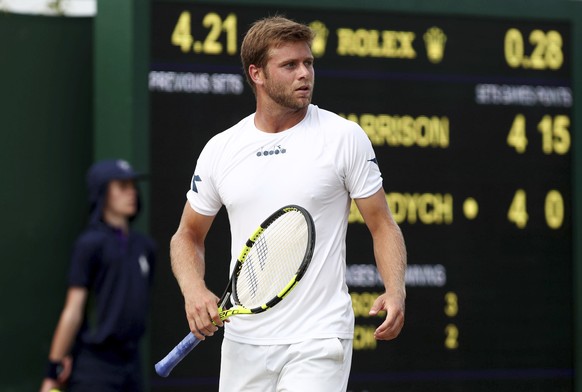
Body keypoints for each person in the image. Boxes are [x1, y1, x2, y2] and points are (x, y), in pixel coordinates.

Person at [170, 15, 406, 391]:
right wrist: (193, 290)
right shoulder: (220, 150)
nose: (304, 74)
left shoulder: (344, 137)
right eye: (290, 65)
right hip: (243, 342)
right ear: (257, 74)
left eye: (308, 63)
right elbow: (186, 235)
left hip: (319, 337)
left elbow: (383, 225)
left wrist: (395, 289)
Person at [40, 159, 156, 392]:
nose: (132, 192)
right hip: (94, 367)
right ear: (102, 192)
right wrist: (53, 372)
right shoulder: (89, 245)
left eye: (133, 185)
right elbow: (73, 310)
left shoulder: (146, 247)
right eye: (122, 186)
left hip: (132, 365)